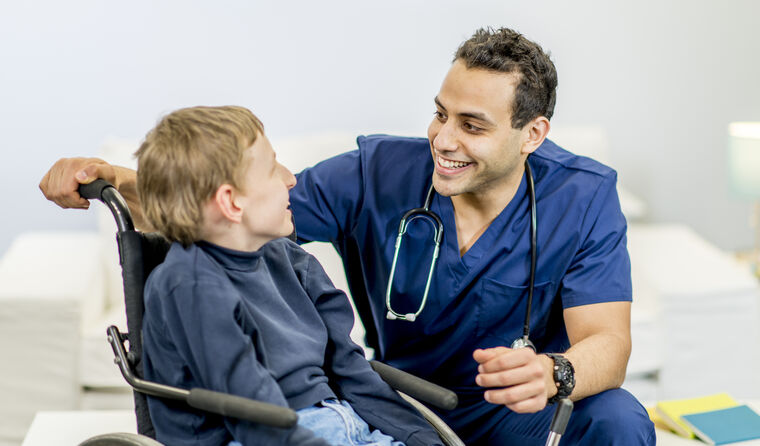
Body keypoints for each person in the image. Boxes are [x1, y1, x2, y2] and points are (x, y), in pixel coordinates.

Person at [40, 28, 656, 445]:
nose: (443, 139)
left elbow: (608, 342)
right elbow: (232, 207)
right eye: (440, 113)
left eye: (472, 125)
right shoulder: (377, 173)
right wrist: (112, 177)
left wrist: (553, 373)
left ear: (532, 135)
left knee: (619, 418)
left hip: (511, 411)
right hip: (403, 400)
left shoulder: (583, 195)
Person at [131, 105, 443, 446]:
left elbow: (351, 370)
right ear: (231, 202)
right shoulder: (189, 286)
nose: (290, 179)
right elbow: (252, 413)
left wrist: (421, 438)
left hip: (343, 420)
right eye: (272, 168)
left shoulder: (292, 261)